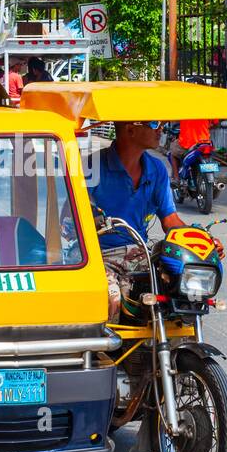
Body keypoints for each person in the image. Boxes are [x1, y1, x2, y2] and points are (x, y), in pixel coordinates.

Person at [87, 120, 188, 320]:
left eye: (162, 123)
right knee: (112, 301)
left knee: (178, 292)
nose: (160, 129)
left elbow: (170, 220)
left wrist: (200, 240)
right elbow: (68, 221)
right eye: (153, 123)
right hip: (99, 257)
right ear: (130, 129)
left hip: (139, 253)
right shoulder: (91, 167)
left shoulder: (157, 169)